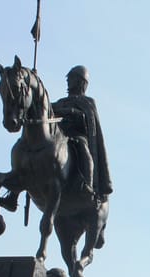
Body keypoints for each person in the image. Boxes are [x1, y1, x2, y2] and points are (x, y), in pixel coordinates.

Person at [52, 65, 112, 202]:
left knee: (83, 150)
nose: (68, 81)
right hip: (60, 137)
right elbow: (48, 108)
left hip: (77, 136)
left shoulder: (87, 102)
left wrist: (72, 113)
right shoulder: (62, 102)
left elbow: (88, 121)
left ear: (80, 82)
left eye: (71, 78)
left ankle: (87, 185)